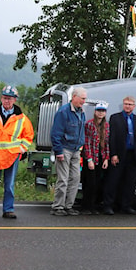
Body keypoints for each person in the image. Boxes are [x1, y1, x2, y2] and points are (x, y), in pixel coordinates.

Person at [0, 85, 34, 219]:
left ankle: (8, 209)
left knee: (9, 185)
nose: (6, 101)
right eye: (4, 98)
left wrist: (22, 149)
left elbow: (29, 135)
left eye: (9, 99)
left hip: (11, 156)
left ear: (14, 100)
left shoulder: (22, 118)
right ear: (1, 98)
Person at [50, 87, 87, 216]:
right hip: (65, 149)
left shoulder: (81, 112)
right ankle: (58, 206)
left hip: (76, 150)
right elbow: (56, 133)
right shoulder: (63, 112)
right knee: (63, 179)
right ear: (74, 97)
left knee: (75, 178)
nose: (84, 101)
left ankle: (68, 205)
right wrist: (58, 150)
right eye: (82, 98)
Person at [106, 96, 136, 215]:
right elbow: (112, 138)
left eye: (130, 104)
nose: (127, 106)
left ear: (134, 106)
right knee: (113, 180)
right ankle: (108, 205)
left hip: (133, 154)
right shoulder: (115, 118)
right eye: (126, 104)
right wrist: (113, 154)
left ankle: (126, 205)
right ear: (123, 104)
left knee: (130, 182)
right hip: (119, 154)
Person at [79, 101, 109, 214]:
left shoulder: (106, 126)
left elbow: (106, 143)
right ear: (95, 112)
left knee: (97, 183)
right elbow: (87, 143)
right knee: (89, 183)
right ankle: (86, 206)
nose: (101, 113)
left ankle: (93, 206)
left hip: (101, 157)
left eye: (103, 111)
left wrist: (106, 158)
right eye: (99, 111)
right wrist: (89, 159)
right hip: (91, 157)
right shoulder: (89, 124)